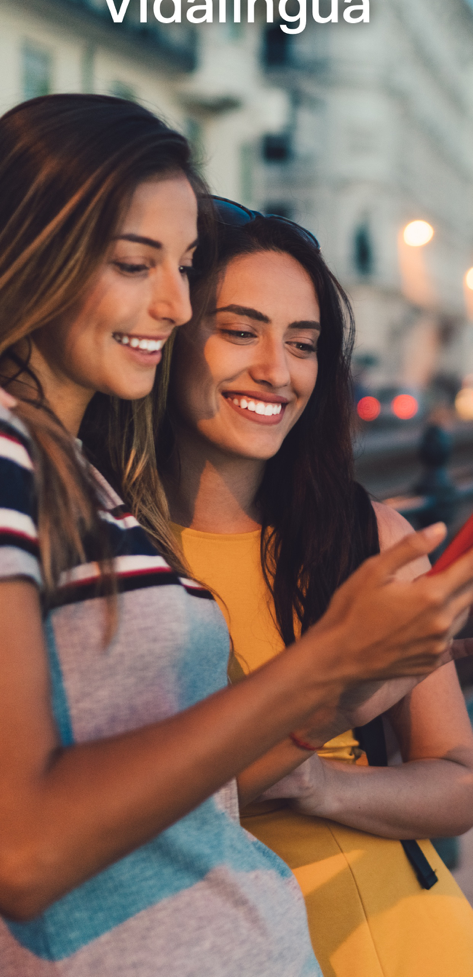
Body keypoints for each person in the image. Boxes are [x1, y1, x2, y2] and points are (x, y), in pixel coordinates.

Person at [159, 197, 473, 977]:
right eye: (239, 331)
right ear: (166, 331)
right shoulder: (105, 542)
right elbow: (117, 816)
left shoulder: (364, 534)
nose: (277, 370)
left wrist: (320, 784)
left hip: (414, 936)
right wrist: (331, 707)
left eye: (304, 345)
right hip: (230, 948)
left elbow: (459, 780)